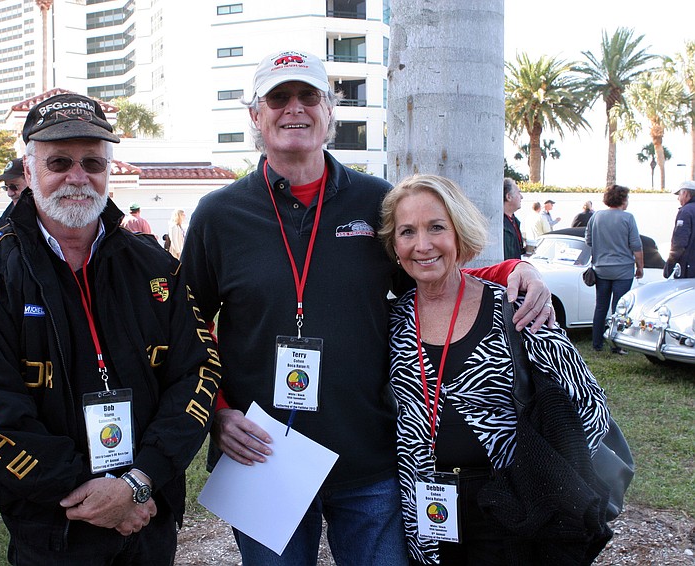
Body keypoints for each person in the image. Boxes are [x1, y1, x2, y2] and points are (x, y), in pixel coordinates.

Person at [180, 48, 554, 566]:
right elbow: (187, 327)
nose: (295, 108)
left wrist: (511, 270)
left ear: (330, 111)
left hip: (369, 456)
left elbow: (430, 269)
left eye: (308, 96)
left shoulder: (375, 200)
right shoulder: (217, 215)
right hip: (260, 456)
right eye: (278, 97)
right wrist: (219, 415)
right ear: (255, 115)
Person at [0, 93, 220, 566]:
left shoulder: (157, 269)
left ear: (108, 170)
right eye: (59, 161)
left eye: (92, 161)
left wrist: (138, 482)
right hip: (54, 526)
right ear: (30, 173)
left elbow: (198, 374)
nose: (78, 176)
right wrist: (92, 496)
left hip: (148, 514)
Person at [380, 174, 610, 565]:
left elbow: (590, 408)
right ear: (394, 244)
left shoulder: (515, 307)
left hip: (512, 508)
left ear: (458, 232)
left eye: (437, 227)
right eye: (407, 232)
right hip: (427, 511)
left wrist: (539, 482)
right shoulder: (392, 321)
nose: (422, 245)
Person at [585, 184, 644, 353]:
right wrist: (640, 267)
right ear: (623, 199)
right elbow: (636, 245)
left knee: (601, 306)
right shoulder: (627, 218)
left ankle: (597, 344)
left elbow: (588, 241)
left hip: (601, 268)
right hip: (623, 270)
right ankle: (616, 345)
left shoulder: (596, 216)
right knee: (619, 308)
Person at [664, 180, 695, 279]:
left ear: (685, 193)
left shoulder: (686, 212)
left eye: (679, 194)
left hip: (689, 269)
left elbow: (679, 243)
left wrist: (669, 267)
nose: (678, 198)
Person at [0, 157, 27, 229]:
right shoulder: (7, 218)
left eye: (14, 186)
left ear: (30, 180)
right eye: (6, 187)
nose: (9, 193)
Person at [502, 178, 525, 259]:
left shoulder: (515, 221)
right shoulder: (498, 224)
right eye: (519, 193)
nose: (521, 197)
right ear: (508, 197)